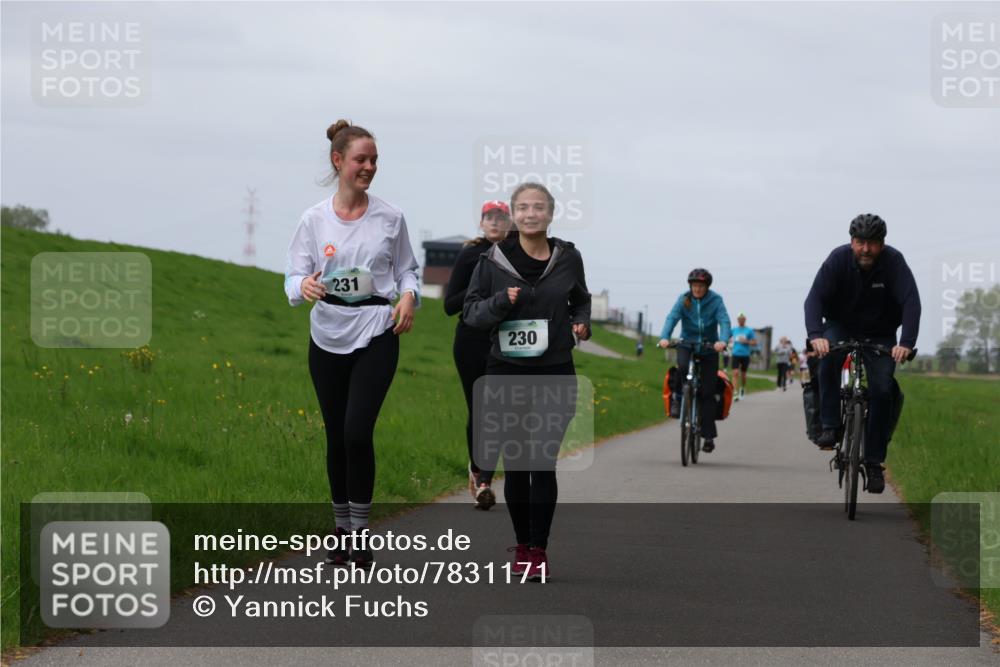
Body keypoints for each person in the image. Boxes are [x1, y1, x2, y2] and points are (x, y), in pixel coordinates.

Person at [284, 120, 419, 566]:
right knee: (336, 437)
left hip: (377, 330)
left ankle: (361, 533)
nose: (369, 168)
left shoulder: (390, 217)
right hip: (327, 334)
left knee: (357, 431)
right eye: (361, 159)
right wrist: (303, 285)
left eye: (374, 160)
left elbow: (407, 270)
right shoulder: (313, 219)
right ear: (338, 161)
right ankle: (340, 529)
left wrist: (408, 297)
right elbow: (293, 274)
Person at [463, 182, 591, 582]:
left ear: (551, 214)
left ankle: (539, 548)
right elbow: (470, 313)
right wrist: (502, 303)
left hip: (554, 370)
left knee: (542, 461)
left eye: (539, 207)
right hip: (507, 371)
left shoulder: (568, 257)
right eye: (523, 207)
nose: (531, 213)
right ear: (513, 216)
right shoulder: (492, 260)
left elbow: (580, 298)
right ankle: (522, 546)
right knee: (518, 465)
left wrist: (580, 320)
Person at [804, 214, 920, 494]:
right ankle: (830, 425)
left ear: (882, 244)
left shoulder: (894, 263)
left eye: (872, 243)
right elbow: (814, 299)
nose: (865, 249)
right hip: (839, 326)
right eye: (860, 243)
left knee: (881, 391)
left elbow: (911, 303)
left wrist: (905, 342)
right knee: (828, 358)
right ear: (851, 241)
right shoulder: (837, 260)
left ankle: (873, 463)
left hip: (880, 333)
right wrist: (816, 336)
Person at [443, 200, 513, 510]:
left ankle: (485, 476)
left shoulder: (517, 255)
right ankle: (481, 474)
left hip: (505, 341)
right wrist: (483, 292)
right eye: (490, 218)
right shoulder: (470, 254)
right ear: (482, 222)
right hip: (471, 340)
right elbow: (449, 304)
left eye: (501, 218)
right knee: (481, 410)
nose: (495, 223)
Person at [657, 269, 731, 453]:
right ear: (690, 286)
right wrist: (665, 337)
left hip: (709, 348)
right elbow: (672, 318)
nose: (697, 289)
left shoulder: (716, 300)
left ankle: (708, 437)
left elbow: (725, 321)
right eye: (694, 285)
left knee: (707, 392)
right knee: (681, 368)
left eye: (701, 286)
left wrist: (722, 341)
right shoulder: (684, 299)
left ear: (707, 287)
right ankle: (679, 398)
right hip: (687, 344)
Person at [729, 312, 757, 400]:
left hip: (745, 355)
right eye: (739, 319)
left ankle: (742, 388)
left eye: (742, 319)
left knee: (743, 374)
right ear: (737, 320)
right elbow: (726, 337)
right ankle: (735, 392)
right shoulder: (734, 330)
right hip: (735, 354)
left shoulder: (749, 330)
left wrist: (746, 341)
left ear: (745, 320)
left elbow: (755, 342)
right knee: (735, 373)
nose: (741, 320)